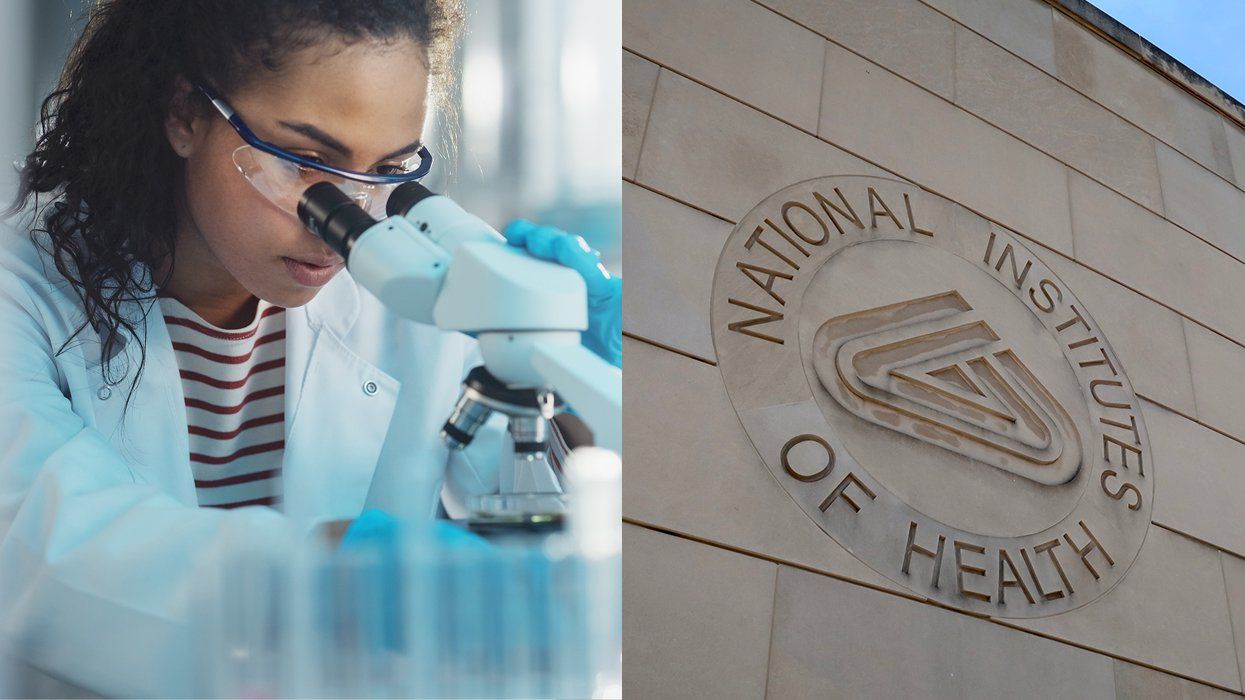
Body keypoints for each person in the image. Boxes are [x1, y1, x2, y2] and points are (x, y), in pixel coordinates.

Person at [0, 1, 621, 696]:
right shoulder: (19, 292)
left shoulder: (416, 295)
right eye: (306, 161)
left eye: (386, 171)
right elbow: (37, 548)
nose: (344, 218)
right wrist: (348, 584)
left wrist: (600, 395)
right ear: (186, 115)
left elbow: (554, 539)